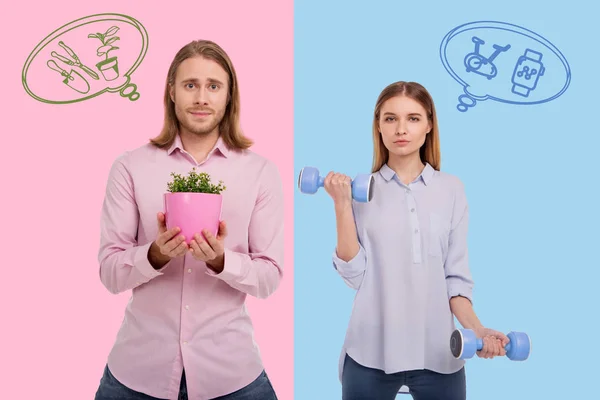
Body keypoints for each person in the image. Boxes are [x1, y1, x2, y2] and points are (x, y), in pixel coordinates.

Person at [94, 40, 283, 400]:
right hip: (136, 374)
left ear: (229, 96)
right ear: (172, 92)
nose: (201, 97)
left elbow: (269, 278)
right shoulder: (130, 167)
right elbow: (109, 272)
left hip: (231, 374)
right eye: (190, 85)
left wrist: (221, 261)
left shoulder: (260, 173)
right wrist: (154, 256)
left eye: (213, 86)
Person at [324, 81, 508, 400]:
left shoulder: (451, 190)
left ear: (428, 124)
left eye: (412, 118)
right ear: (378, 126)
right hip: (371, 352)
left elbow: (456, 280)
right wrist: (341, 204)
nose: (401, 129)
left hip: (438, 353)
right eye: (390, 118)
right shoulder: (358, 190)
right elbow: (355, 276)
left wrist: (477, 331)